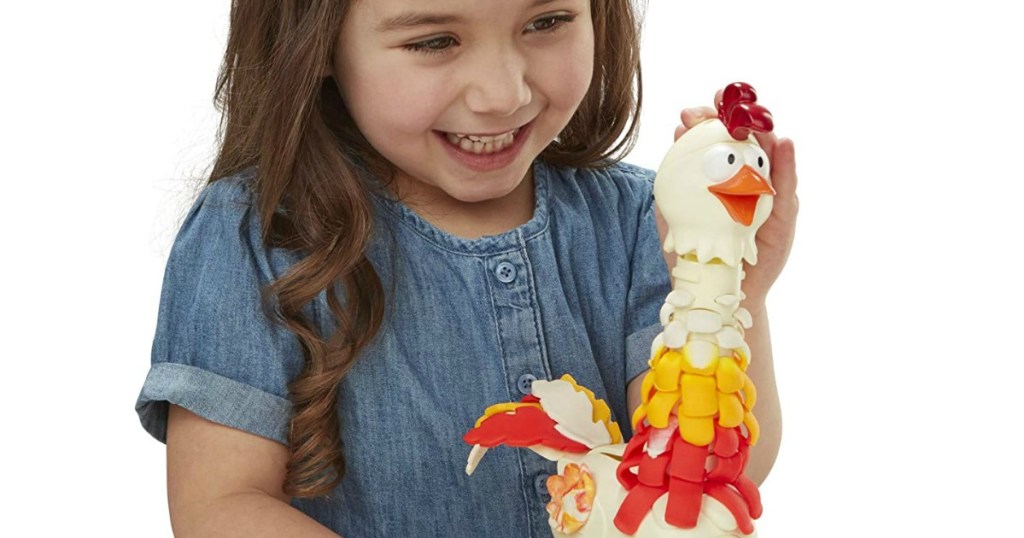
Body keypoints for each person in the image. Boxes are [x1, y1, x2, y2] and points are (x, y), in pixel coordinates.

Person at [134, 0, 798, 536]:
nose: (502, 94)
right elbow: (218, 508)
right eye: (434, 41)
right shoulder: (255, 236)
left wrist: (727, 299)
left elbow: (696, 483)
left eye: (546, 22)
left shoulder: (637, 223)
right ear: (319, 37)